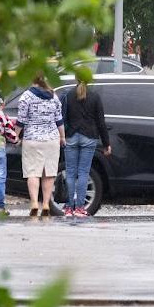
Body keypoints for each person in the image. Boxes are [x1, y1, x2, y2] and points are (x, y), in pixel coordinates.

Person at [15, 74, 65, 217]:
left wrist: (14, 136)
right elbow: (59, 120)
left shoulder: (26, 97)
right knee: (49, 174)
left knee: (33, 172)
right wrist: (62, 137)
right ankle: (46, 204)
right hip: (52, 139)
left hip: (32, 139)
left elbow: (21, 121)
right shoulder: (54, 96)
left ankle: (34, 203)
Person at [62, 81, 111, 217]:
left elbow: (63, 117)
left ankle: (69, 207)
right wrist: (106, 143)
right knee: (83, 173)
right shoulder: (95, 96)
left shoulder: (68, 95)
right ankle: (79, 208)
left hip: (71, 136)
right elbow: (101, 122)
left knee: (71, 173)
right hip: (89, 136)